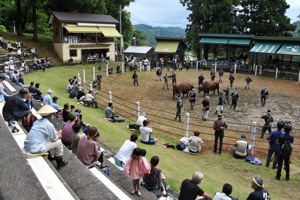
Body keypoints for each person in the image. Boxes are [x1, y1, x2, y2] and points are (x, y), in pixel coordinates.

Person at [23, 105, 68, 169]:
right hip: (35, 149)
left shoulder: (37, 122)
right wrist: (59, 135)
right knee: (59, 142)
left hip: (28, 146)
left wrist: (56, 134)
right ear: (50, 115)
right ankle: (59, 162)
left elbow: (46, 133)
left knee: (47, 137)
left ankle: (49, 156)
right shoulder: (49, 125)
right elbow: (54, 139)